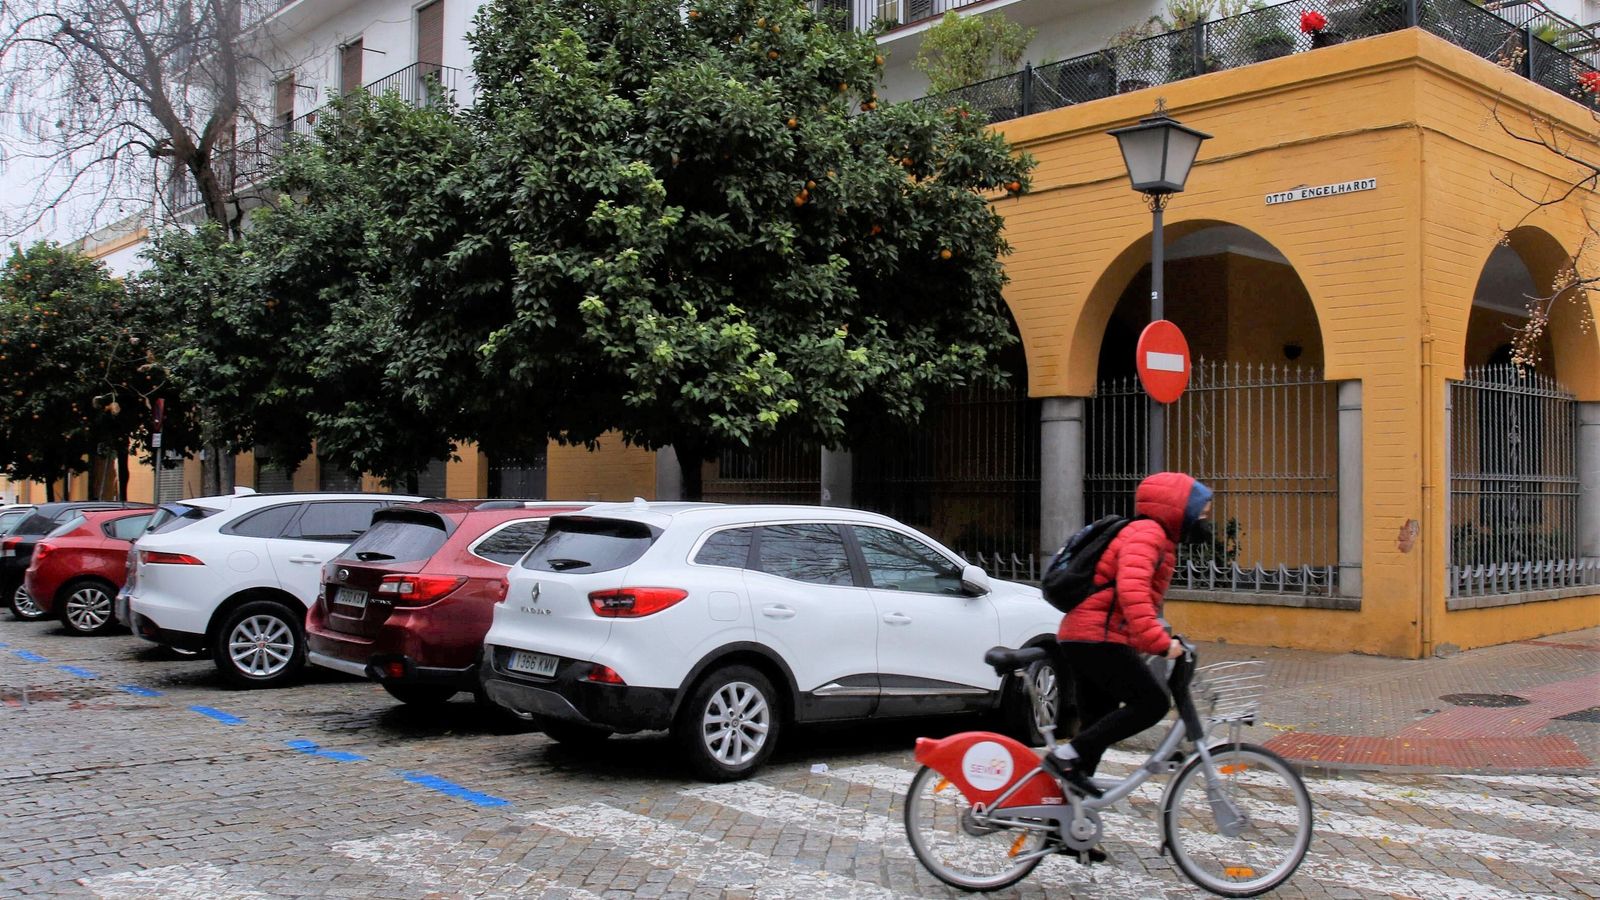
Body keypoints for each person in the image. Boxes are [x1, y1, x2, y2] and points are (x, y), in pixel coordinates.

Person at [1042, 471, 1214, 799]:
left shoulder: (1153, 536)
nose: (1204, 518)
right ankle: (1063, 757)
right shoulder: (1147, 534)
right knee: (1151, 703)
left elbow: (1126, 601)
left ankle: (1064, 832)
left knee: (1094, 737)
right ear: (1178, 508)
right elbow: (1132, 593)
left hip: (1088, 636)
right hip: (1096, 638)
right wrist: (1161, 644)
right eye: (1200, 510)